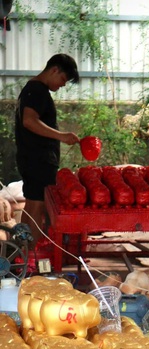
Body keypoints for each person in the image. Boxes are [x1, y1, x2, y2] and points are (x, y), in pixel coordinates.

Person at [15, 53, 80, 247]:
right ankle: (31, 260)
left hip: (32, 158)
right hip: (38, 159)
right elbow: (29, 121)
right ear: (54, 70)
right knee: (37, 207)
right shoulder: (37, 91)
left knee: (31, 205)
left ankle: (21, 254)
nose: (63, 85)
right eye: (62, 79)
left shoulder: (31, 89)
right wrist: (61, 136)